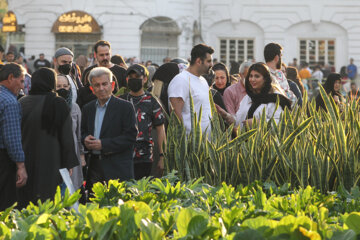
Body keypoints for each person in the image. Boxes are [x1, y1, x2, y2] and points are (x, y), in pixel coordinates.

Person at [18, 68, 78, 208]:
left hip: (25, 158)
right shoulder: (58, 102)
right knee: (47, 200)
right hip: (51, 159)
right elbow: (66, 135)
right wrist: (68, 162)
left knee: (27, 201)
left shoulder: (22, 102)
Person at [81, 67, 137, 193]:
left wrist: (103, 144)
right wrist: (84, 138)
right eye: (97, 85)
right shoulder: (87, 109)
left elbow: (130, 136)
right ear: (92, 89)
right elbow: (81, 131)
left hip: (117, 168)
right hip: (94, 167)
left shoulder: (125, 107)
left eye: (104, 84)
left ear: (112, 85)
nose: (101, 88)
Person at [120, 64, 166, 179]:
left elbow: (161, 130)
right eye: (130, 77)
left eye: (137, 76)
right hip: (123, 156)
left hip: (144, 157)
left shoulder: (152, 101)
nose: (133, 80)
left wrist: (162, 156)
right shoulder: (120, 100)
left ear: (145, 79)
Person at [168, 43, 214, 134]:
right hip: (189, 144)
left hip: (206, 143)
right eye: (208, 61)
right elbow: (176, 117)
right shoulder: (180, 81)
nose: (212, 64)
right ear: (198, 61)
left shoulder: (203, 80)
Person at [0, 63, 28, 211]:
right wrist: (21, 166)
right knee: (5, 207)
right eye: (21, 81)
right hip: (4, 162)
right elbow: (12, 139)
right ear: (11, 78)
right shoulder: (10, 102)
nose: (22, 87)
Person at [235, 62, 291, 128]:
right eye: (250, 76)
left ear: (265, 79)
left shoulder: (275, 98)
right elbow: (239, 119)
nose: (252, 79)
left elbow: (280, 123)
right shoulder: (248, 97)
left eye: (257, 76)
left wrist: (258, 122)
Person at [56, 74, 85, 192]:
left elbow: (78, 134)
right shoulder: (48, 106)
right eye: (58, 86)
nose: (62, 88)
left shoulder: (75, 108)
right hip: (55, 155)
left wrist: (82, 155)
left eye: (65, 85)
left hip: (72, 155)